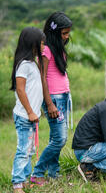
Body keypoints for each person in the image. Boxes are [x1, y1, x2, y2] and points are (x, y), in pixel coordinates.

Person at [31, 12, 72, 184]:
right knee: (60, 139)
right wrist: (49, 104)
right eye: (64, 33)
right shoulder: (46, 49)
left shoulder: (57, 47)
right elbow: (42, 77)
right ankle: (37, 173)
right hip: (53, 99)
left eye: (68, 33)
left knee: (55, 137)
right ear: (54, 33)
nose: (67, 36)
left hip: (61, 96)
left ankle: (54, 173)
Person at [10, 27, 45, 193]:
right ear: (33, 44)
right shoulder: (23, 64)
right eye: (42, 43)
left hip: (32, 116)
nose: (44, 46)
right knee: (23, 150)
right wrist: (31, 111)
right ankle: (17, 184)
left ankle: (25, 179)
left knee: (30, 150)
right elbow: (20, 90)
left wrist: (36, 112)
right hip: (25, 116)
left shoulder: (33, 63)